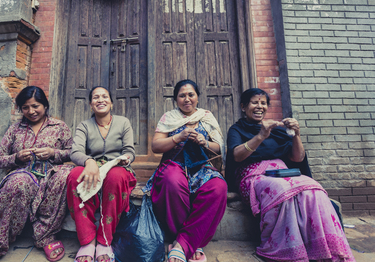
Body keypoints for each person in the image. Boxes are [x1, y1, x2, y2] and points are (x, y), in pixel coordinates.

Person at [225, 88, 355, 262]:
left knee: (314, 189)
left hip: (283, 173)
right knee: (281, 191)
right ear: (243, 106)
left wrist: (296, 135)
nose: (259, 106)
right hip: (253, 176)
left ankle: (320, 247)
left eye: (263, 103)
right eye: (254, 102)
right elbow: (237, 155)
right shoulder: (237, 130)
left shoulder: (278, 130)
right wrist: (261, 136)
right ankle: (291, 251)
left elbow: (297, 157)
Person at [0, 86, 74, 262]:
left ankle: (45, 235)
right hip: (25, 177)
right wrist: (16, 157)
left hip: (51, 177)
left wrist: (52, 153)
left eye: (35, 106)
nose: (31, 111)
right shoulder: (15, 129)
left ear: (45, 105)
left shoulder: (59, 127)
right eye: (25, 107)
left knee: (66, 175)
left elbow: (72, 153)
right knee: (19, 181)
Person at [143, 79, 227, 262]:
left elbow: (219, 148)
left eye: (191, 94)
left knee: (218, 187)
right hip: (174, 163)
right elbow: (156, 146)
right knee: (171, 181)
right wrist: (177, 138)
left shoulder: (206, 117)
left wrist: (205, 142)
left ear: (197, 97)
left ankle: (182, 243)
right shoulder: (169, 117)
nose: (187, 99)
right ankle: (190, 242)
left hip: (201, 166)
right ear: (176, 99)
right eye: (182, 95)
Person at [67, 86, 137, 262]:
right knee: (75, 175)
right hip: (92, 167)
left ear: (111, 102)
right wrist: (89, 161)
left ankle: (104, 240)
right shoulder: (84, 126)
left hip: (117, 168)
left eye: (105, 96)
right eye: (96, 97)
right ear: (91, 104)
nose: (100, 100)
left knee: (115, 176)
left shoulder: (123, 122)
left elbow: (130, 151)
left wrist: (125, 159)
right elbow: (75, 152)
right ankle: (87, 241)